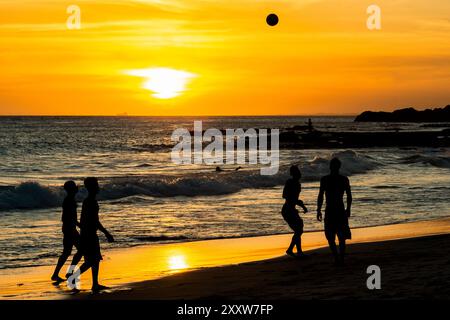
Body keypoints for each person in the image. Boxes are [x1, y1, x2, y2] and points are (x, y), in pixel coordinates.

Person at [75, 177, 114, 292]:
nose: (98, 187)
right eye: (96, 185)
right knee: (91, 261)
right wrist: (107, 233)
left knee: (94, 260)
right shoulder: (90, 202)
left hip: (88, 233)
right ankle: (73, 277)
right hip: (89, 235)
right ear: (92, 187)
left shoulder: (89, 201)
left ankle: (95, 284)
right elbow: (95, 221)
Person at [317, 157, 352, 265]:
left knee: (331, 236)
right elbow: (349, 196)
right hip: (339, 209)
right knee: (341, 237)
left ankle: (337, 258)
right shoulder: (344, 179)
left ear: (330, 167)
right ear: (339, 167)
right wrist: (348, 209)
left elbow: (320, 196)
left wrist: (318, 210)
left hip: (331, 210)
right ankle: (340, 258)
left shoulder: (325, 179)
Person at [51, 181, 83, 283]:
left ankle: (56, 274)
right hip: (70, 229)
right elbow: (70, 217)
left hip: (68, 228)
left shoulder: (69, 199)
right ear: (72, 189)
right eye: (74, 186)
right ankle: (69, 272)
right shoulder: (69, 200)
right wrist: (80, 226)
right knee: (81, 250)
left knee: (67, 252)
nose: (77, 187)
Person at [281, 165, 308, 258]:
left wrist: (302, 206)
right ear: (294, 174)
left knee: (299, 229)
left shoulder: (298, 184)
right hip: (288, 210)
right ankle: (296, 251)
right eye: (297, 172)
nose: (299, 174)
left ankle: (294, 250)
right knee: (299, 230)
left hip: (291, 209)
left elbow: (295, 199)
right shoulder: (290, 182)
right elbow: (285, 196)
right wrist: (300, 204)